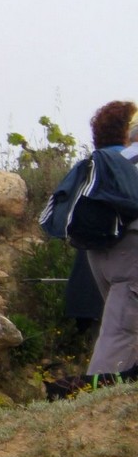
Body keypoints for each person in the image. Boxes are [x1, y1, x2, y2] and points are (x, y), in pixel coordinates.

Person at [83, 101, 138, 379]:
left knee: (125, 326)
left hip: (101, 252)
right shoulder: (130, 163)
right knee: (121, 332)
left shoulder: (99, 166)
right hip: (130, 254)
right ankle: (97, 395)